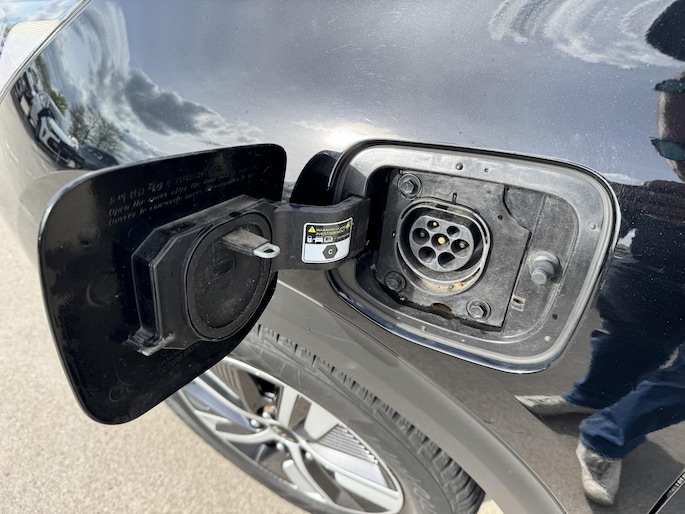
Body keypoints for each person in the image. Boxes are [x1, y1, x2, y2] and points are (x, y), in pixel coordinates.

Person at [517, 72, 685, 506]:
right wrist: (624, 205)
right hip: (644, 282)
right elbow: (598, 237)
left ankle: (603, 440)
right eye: (670, 149)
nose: (680, 165)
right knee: (625, 346)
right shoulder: (660, 191)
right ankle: (592, 399)